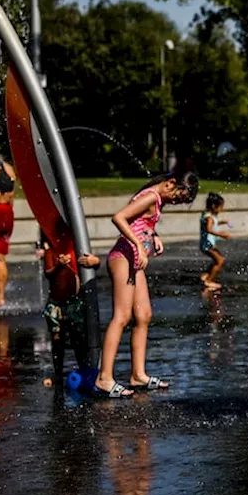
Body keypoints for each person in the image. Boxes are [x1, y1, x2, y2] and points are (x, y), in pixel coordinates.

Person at [95, 168, 200, 397]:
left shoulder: (156, 198)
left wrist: (154, 235)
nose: (175, 202)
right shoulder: (151, 196)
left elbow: (141, 223)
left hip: (133, 260)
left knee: (144, 315)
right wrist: (139, 247)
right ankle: (104, 378)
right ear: (171, 184)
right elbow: (119, 218)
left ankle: (138, 375)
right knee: (122, 316)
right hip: (123, 257)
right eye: (178, 197)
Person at [40, 238, 101, 376]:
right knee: (57, 338)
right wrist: (59, 266)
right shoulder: (51, 251)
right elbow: (48, 273)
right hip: (56, 304)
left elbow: (94, 264)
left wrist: (96, 262)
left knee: (78, 336)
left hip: (75, 302)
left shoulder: (78, 247)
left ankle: (84, 367)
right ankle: (58, 371)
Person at [0, 155, 16, 308]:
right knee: (1, 258)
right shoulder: (7, 168)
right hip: (7, 212)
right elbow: (12, 196)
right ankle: (2, 298)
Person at [199, 192, 231, 290]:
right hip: (207, 244)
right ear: (214, 206)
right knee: (220, 261)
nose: (222, 209)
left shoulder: (207, 215)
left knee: (217, 260)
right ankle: (209, 281)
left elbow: (213, 224)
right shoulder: (210, 218)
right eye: (220, 207)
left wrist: (222, 222)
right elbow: (209, 229)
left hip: (207, 244)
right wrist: (222, 234)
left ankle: (206, 276)